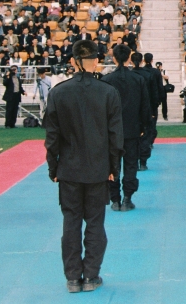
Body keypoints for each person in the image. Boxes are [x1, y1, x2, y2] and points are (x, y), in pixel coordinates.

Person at [44, 39, 123, 294]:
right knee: (96, 223)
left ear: (72, 61)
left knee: (71, 223)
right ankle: (91, 275)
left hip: (69, 169)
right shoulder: (107, 92)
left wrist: (52, 168)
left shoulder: (58, 92)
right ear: (96, 60)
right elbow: (115, 136)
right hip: (98, 168)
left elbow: (52, 136)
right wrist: (114, 167)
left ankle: (72, 278)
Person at [102, 44, 150, 212]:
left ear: (113, 58)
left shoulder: (106, 80)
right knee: (130, 164)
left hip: (112, 131)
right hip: (132, 129)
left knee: (112, 165)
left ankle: (115, 199)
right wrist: (144, 126)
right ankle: (127, 198)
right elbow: (145, 106)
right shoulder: (137, 79)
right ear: (129, 58)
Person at [137, 53, 164, 170]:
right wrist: (158, 103)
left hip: (138, 105)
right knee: (150, 126)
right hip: (150, 105)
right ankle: (149, 144)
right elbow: (158, 88)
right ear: (152, 60)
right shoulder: (155, 73)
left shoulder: (139, 74)